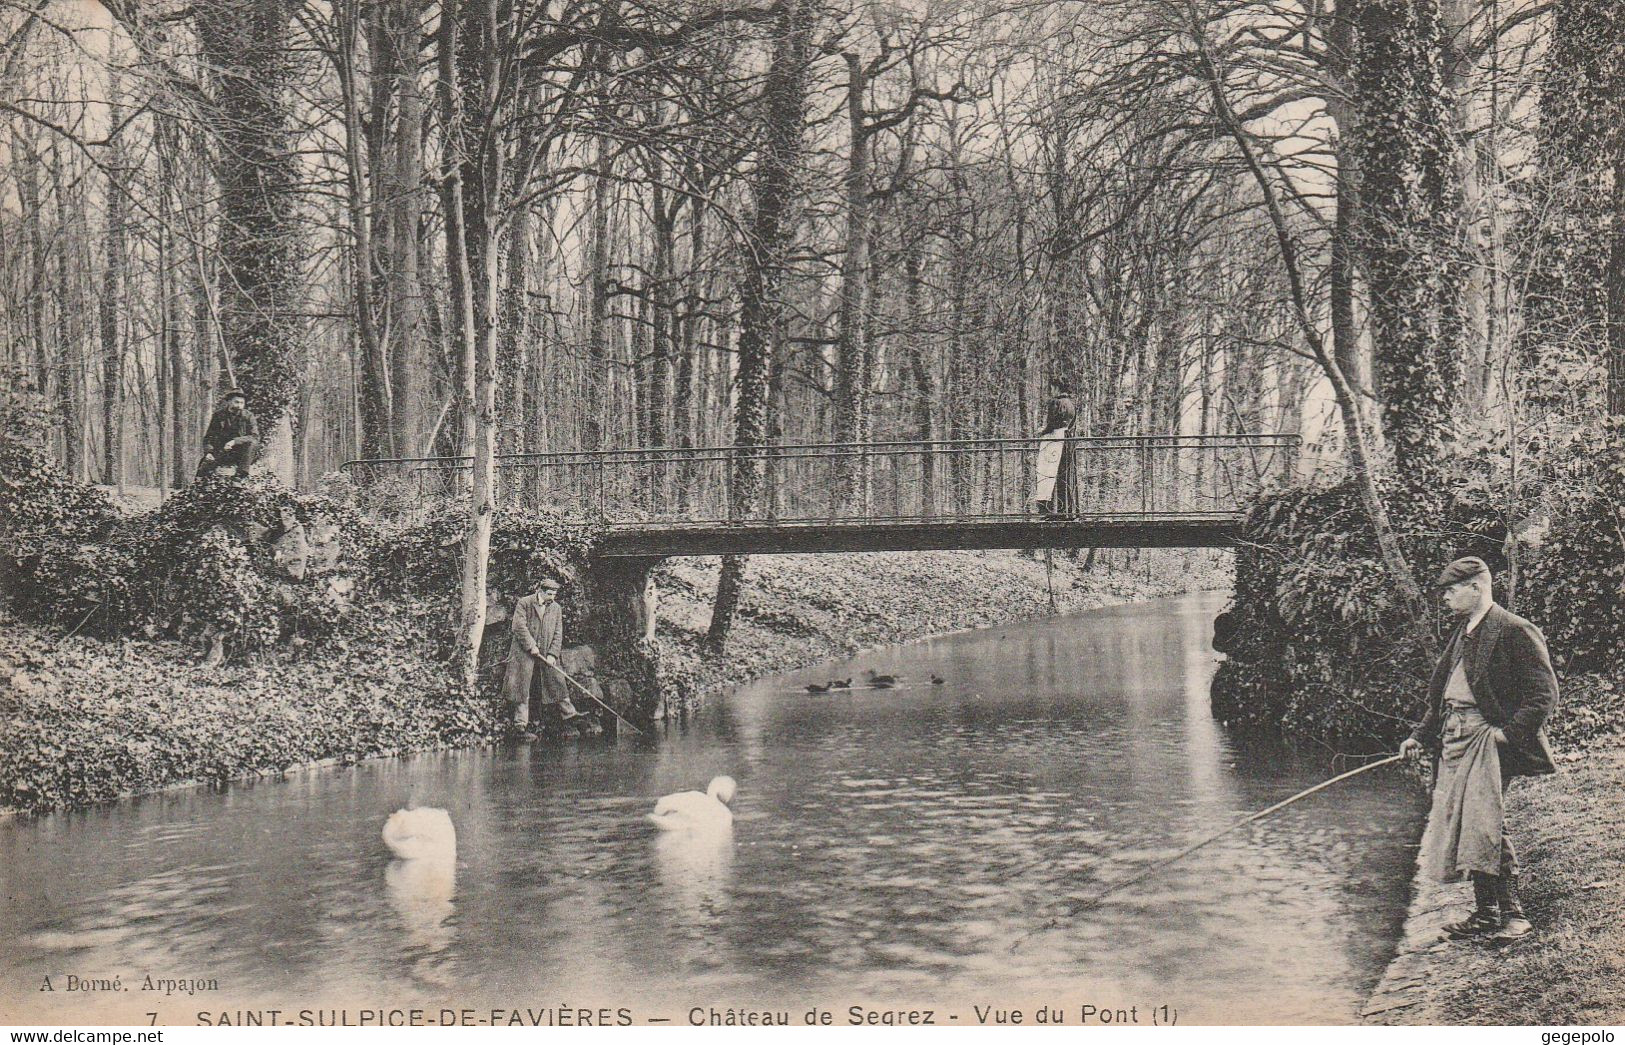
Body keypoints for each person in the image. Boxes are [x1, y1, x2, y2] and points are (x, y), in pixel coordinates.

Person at [1400, 556, 1559, 942]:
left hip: (1487, 742)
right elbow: (1444, 698)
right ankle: (1486, 912)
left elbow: (1543, 695)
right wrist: (1419, 736)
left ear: (1477, 586)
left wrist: (1507, 735)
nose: (1447, 598)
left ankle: (1514, 915)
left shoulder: (1514, 629)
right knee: (1468, 823)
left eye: (1453, 589)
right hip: (1455, 742)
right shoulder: (1464, 631)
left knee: (1488, 822)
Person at [502, 577, 584, 736]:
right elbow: (518, 626)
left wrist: (553, 654)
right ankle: (520, 726)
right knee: (522, 687)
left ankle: (570, 716)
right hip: (523, 653)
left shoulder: (556, 608)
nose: (552, 598)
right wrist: (531, 645)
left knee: (557, 681)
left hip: (547, 652)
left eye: (554, 594)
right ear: (540, 591)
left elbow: (558, 633)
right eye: (549, 594)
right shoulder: (524, 603)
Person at [1034, 378, 1078, 518]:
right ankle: (1066, 509)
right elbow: (1071, 424)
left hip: (1053, 440)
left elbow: (1052, 422)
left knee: (1047, 473)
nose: (1051, 391)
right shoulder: (1071, 404)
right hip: (1066, 440)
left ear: (1057, 388)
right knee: (1064, 475)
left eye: (1052, 388)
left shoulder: (1056, 402)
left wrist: (1043, 430)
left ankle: (1049, 510)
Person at [197, 388, 260, 480]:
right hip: (222, 451)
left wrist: (234, 441)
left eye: (242, 403)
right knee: (203, 471)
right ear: (229, 401)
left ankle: (240, 476)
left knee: (252, 443)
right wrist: (209, 452)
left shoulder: (248, 416)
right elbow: (208, 437)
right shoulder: (218, 416)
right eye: (236, 402)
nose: (239, 406)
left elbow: (255, 436)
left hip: (241, 453)